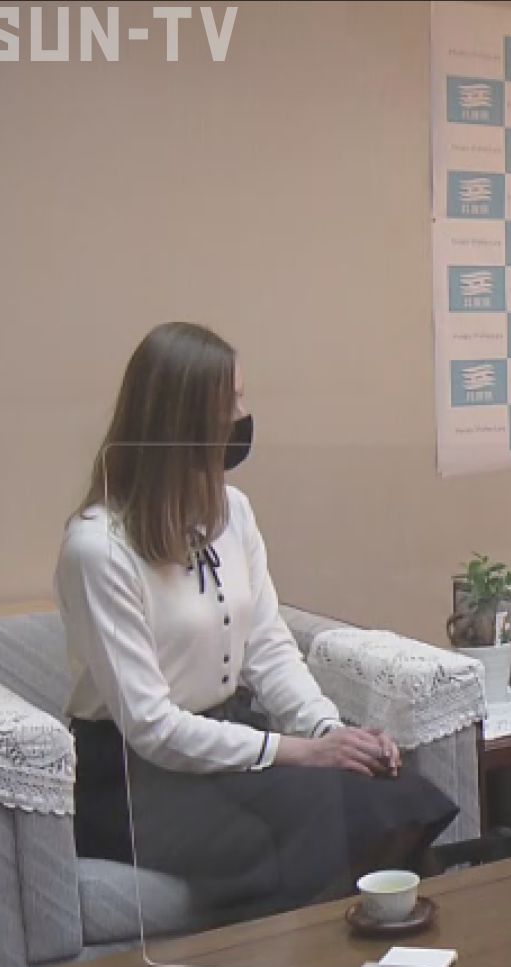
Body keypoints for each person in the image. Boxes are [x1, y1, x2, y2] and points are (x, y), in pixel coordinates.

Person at [57, 322, 457, 918]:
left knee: (393, 794)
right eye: (231, 404)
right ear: (182, 422)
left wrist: (328, 732)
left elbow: (269, 648)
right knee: (314, 826)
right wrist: (299, 752)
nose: (242, 418)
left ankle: (399, 953)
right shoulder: (98, 549)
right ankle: (303, 966)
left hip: (229, 743)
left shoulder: (232, 512)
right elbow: (152, 728)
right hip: (135, 780)